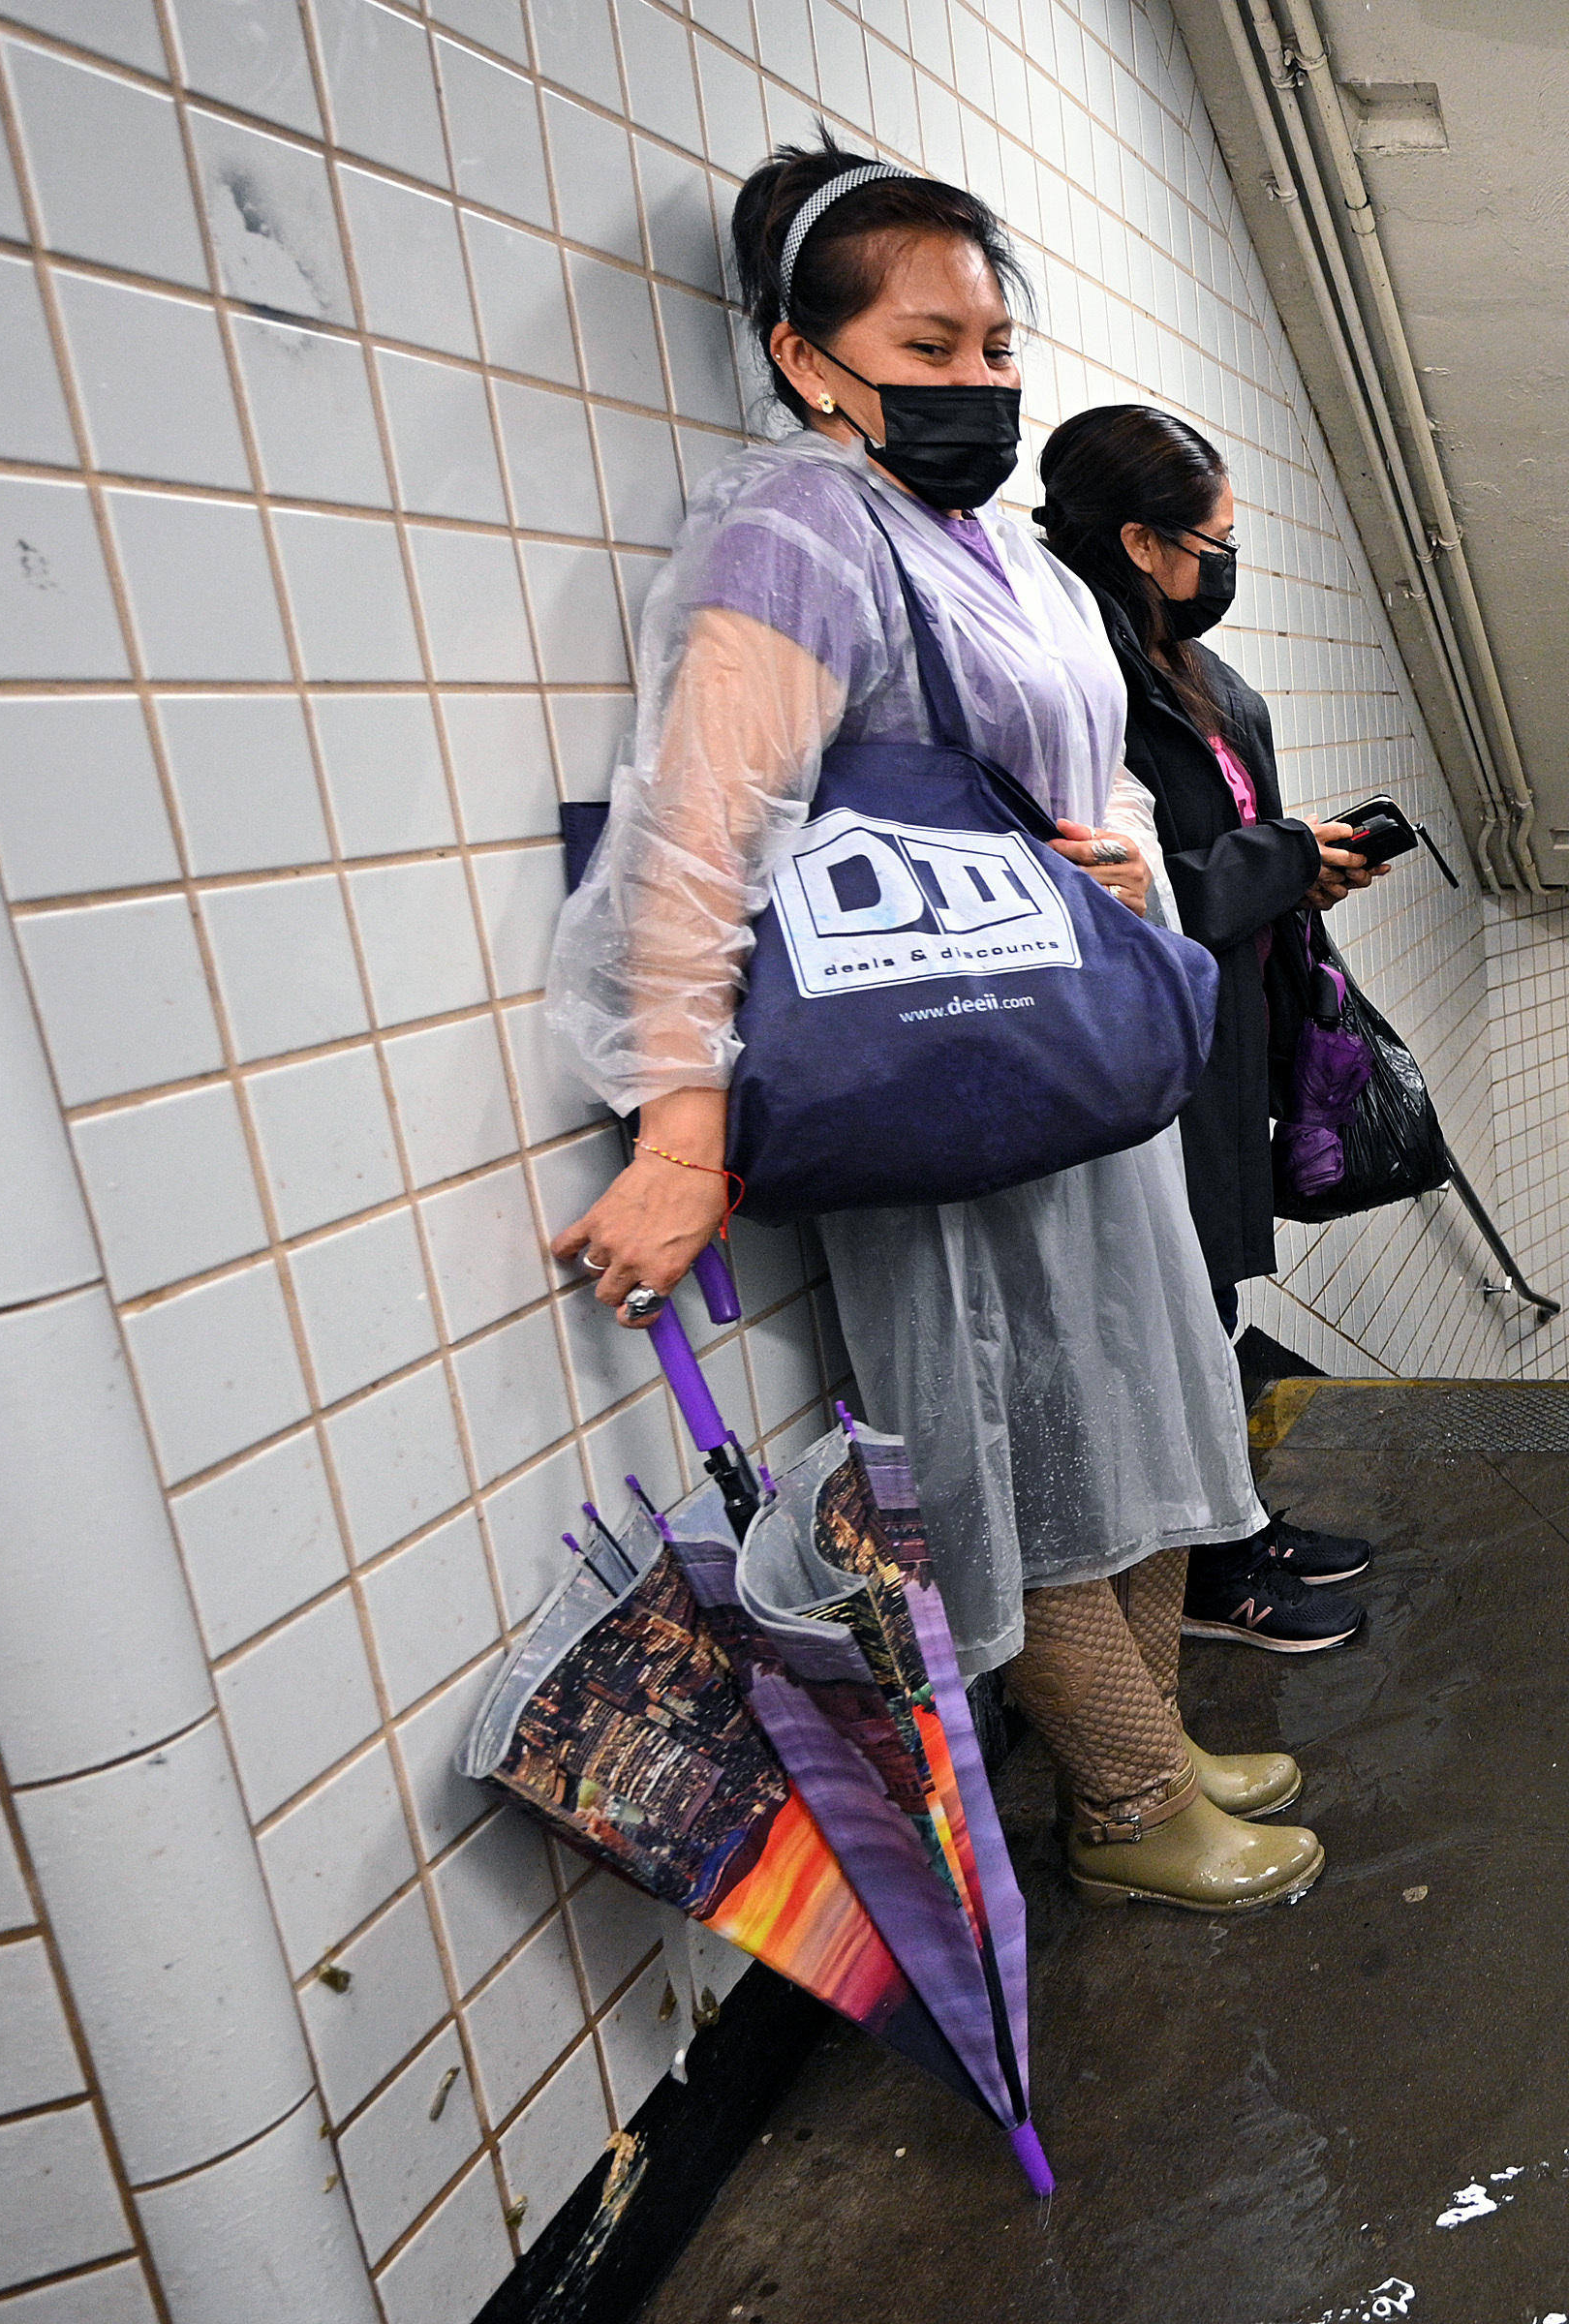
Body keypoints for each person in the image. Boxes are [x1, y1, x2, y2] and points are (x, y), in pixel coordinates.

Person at [541, 138, 1321, 1914]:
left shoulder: (994, 555)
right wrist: (682, 1131)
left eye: (993, 344)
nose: (980, 383)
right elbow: (695, 831)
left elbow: (1081, 777)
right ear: (809, 358)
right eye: (926, 349)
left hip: (1073, 1057)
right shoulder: (796, 531)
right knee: (1025, 1438)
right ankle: (1126, 1807)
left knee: (1134, 1413)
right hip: (939, 1072)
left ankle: (1155, 1742)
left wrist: (1115, 856)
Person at [1032, 407, 1398, 1655]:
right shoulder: (1083, 674)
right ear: (1139, 540)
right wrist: (1279, 859)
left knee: (1220, 1291)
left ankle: (1230, 1522)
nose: (1226, 564)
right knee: (1176, 1303)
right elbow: (1120, 877)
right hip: (1148, 1037)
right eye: (1213, 540)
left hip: (1228, 1011)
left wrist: (1307, 870)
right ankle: (1206, 1570)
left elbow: (1212, 852)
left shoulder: (1190, 668)